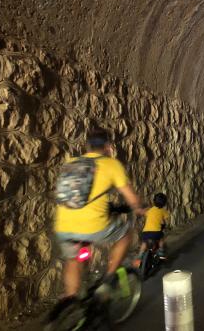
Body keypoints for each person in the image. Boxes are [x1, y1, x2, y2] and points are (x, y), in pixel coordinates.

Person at [52, 128, 145, 306]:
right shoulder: (111, 164)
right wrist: (140, 207)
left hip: (64, 225)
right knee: (126, 235)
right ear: (108, 147)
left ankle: (70, 301)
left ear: (87, 146)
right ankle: (108, 279)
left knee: (74, 258)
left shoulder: (71, 162)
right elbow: (132, 199)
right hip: (93, 226)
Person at [137, 192, 169, 260]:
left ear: (154, 201)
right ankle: (160, 250)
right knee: (161, 238)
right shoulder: (163, 211)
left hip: (145, 232)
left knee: (144, 242)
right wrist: (166, 225)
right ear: (164, 203)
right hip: (156, 232)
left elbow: (146, 214)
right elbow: (166, 220)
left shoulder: (150, 210)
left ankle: (140, 254)